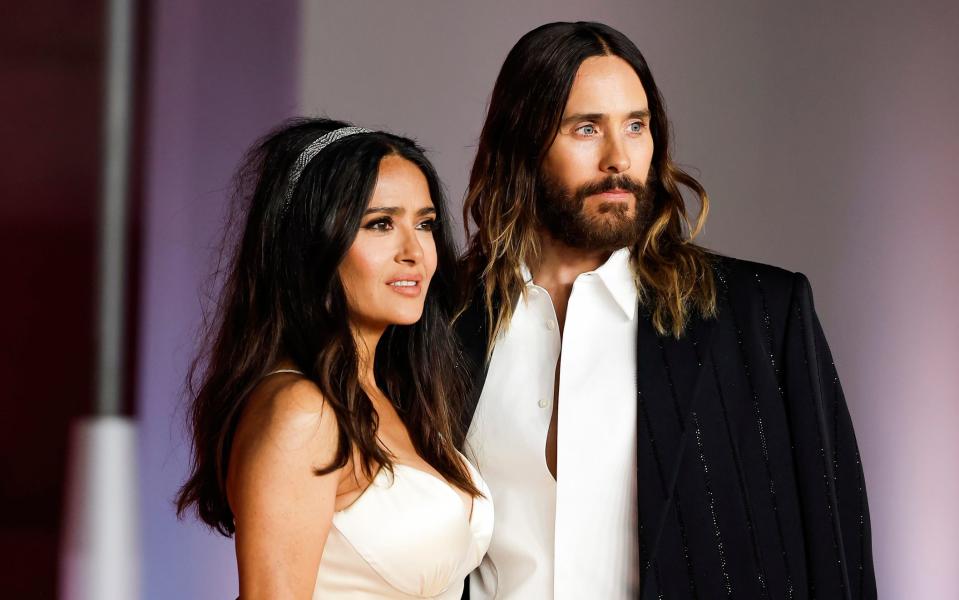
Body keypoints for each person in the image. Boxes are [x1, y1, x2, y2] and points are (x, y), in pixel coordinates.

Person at [456, 22, 876, 600]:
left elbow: (837, 550)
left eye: (636, 126)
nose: (618, 158)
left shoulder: (760, 315)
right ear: (521, 142)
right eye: (585, 128)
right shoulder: (444, 320)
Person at [176, 118, 492, 599]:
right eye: (380, 224)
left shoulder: (395, 394)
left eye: (424, 224)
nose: (415, 252)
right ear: (314, 245)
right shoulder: (302, 412)